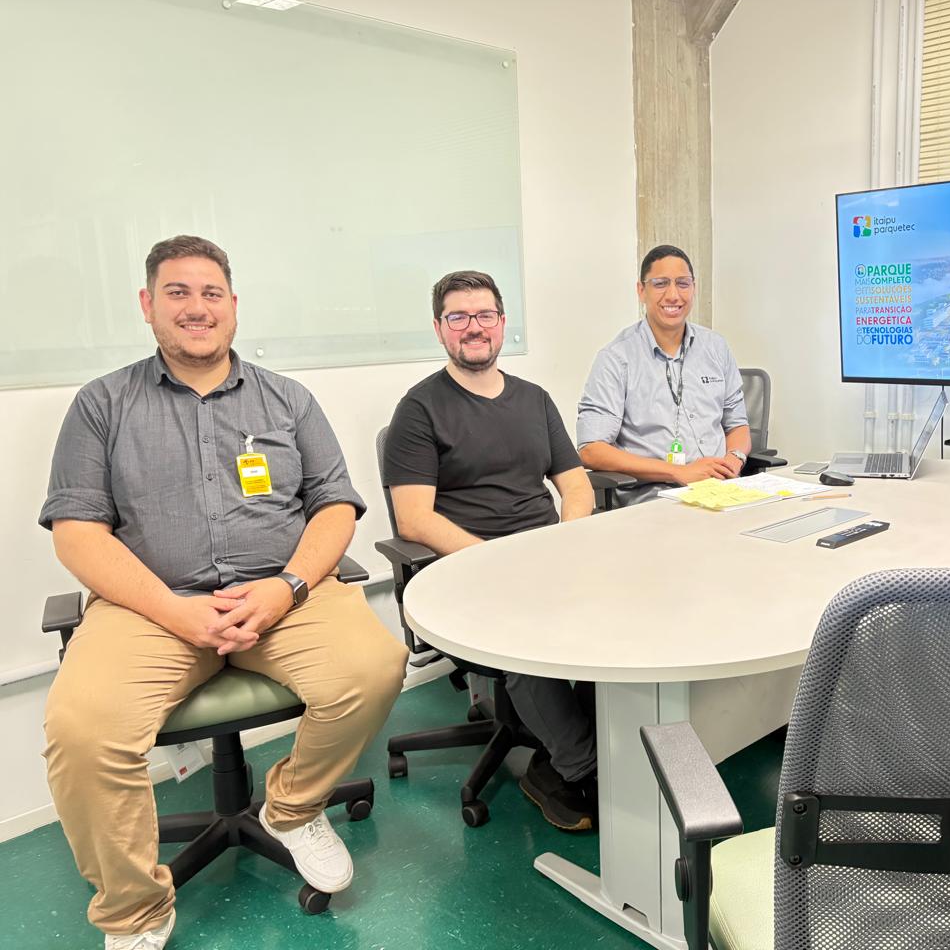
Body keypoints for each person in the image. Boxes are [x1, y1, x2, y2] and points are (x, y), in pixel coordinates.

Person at [40, 235, 408, 950]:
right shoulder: (102, 405)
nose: (196, 308)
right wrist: (174, 610)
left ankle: (292, 808)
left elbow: (335, 505)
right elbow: (77, 534)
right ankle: (137, 909)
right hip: (153, 606)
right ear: (148, 306)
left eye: (211, 293)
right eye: (177, 293)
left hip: (283, 596)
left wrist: (288, 586)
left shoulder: (288, 400)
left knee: (375, 666)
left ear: (234, 306)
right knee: (82, 730)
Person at [381, 270, 598, 831]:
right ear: (439, 329)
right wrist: (497, 562)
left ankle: (603, 743)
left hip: (547, 556)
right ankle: (580, 770)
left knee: (617, 614)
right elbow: (414, 517)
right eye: (458, 317)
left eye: (484, 316)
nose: (473, 328)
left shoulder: (534, 399)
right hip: (471, 570)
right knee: (522, 631)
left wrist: (568, 538)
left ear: (502, 324)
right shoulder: (421, 409)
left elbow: (574, 485)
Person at [576, 244, 751, 504]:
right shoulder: (617, 358)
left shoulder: (716, 347)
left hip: (720, 493)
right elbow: (591, 449)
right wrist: (679, 472)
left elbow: (737, 424)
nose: (673, 295)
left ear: (694, 288)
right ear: (641, 291)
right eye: (660, 284)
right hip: (656, 499)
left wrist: (732, 462)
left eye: (683, 283)